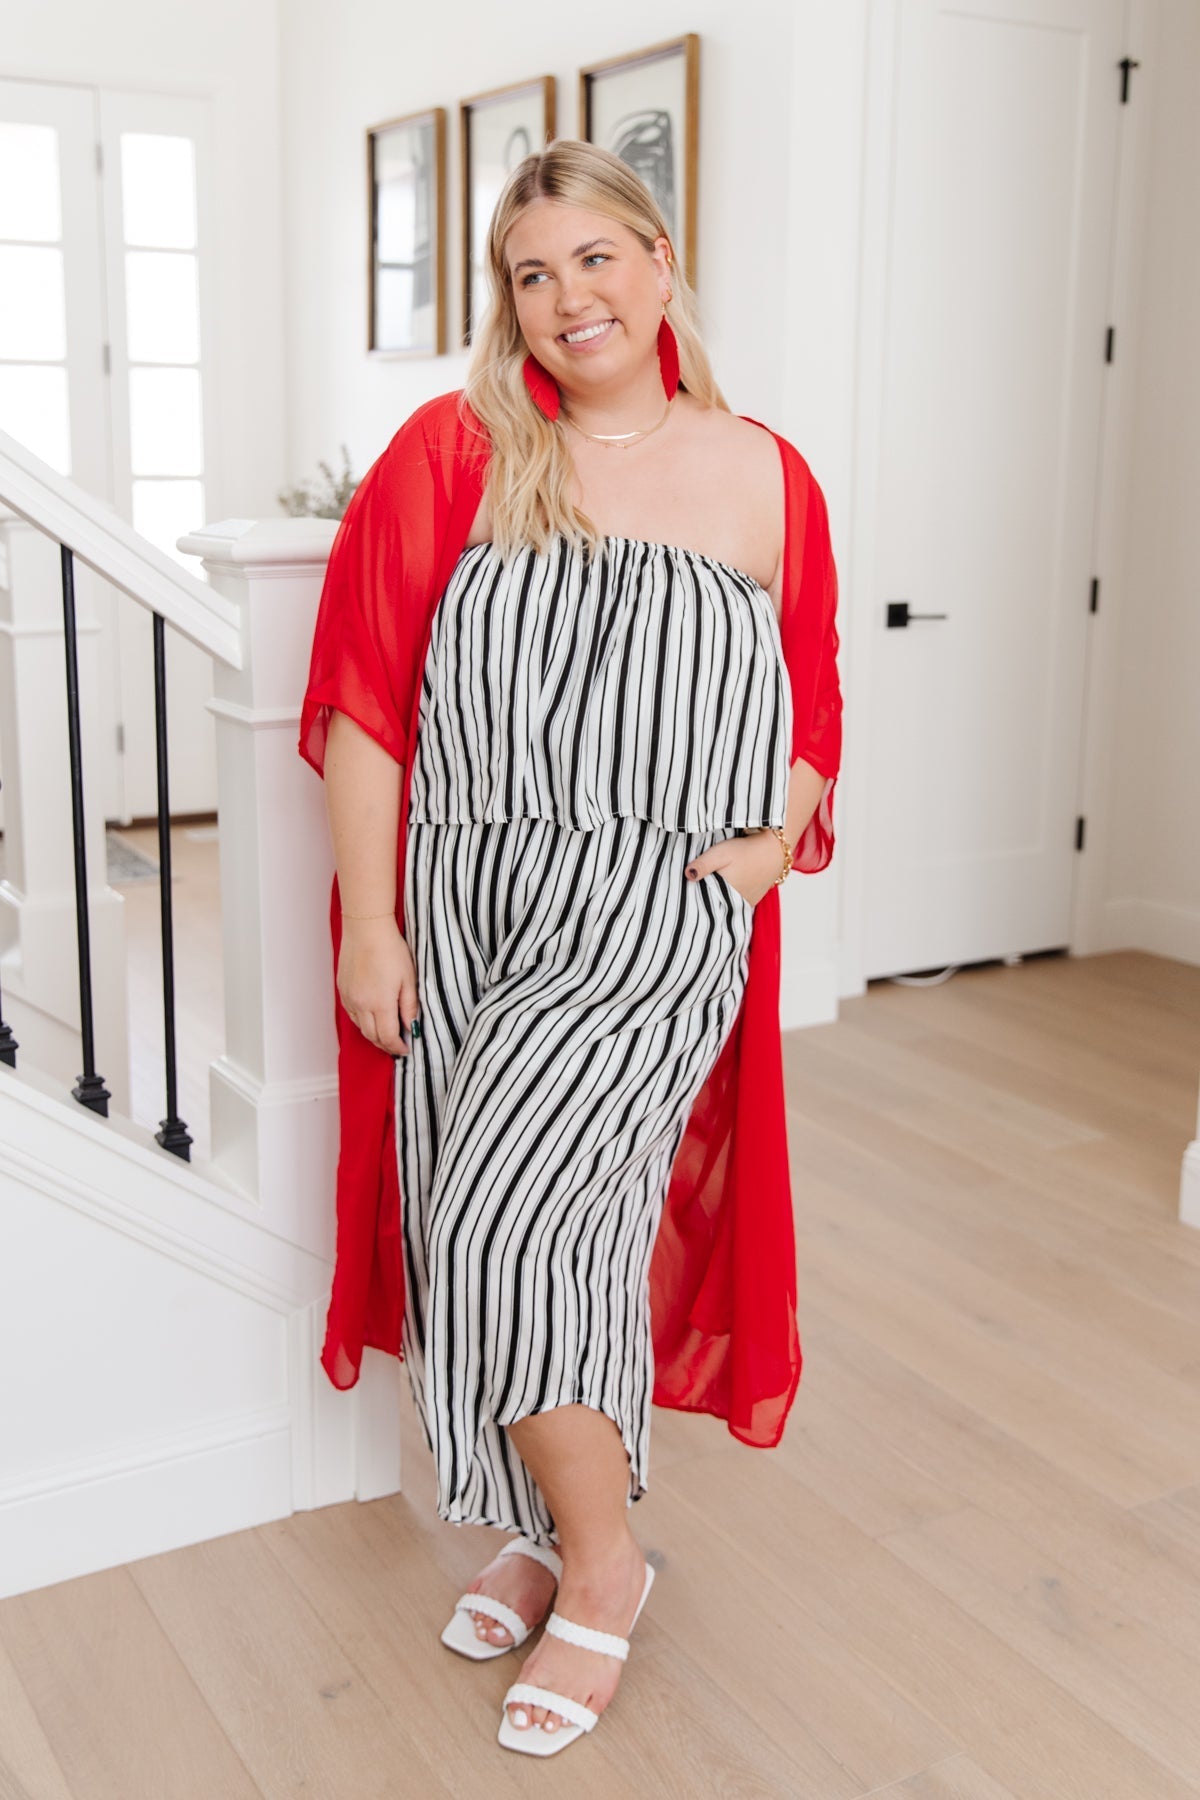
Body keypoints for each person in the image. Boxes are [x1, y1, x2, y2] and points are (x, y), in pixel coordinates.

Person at [298, 138, 841, 1759]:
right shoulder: (457, 452)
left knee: (505, 1219)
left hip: (650, 917)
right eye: (532, 274)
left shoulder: (766, 474)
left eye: (595, 258)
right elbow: (363, 706)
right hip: (467, 903)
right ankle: (538, 1528)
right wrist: (373, 925)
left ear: (659, 263)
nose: (567, 298)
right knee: (532, 1238)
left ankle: (605, 1567)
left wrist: (757, 858)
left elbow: (810, 710)